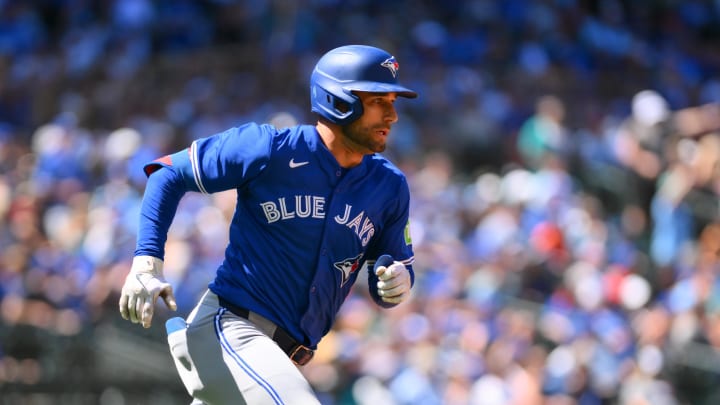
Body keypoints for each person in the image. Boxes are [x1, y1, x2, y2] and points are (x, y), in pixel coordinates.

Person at [118, 44, 418, 404]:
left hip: (284, 362)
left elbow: (393, 269)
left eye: (393, 102)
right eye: (379, 101)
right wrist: (146, 262)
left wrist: (397, 280)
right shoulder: (270, 148)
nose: (392, 115)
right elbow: (167, 173)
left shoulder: (390, 186)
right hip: (230, 331)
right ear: (340, 100)